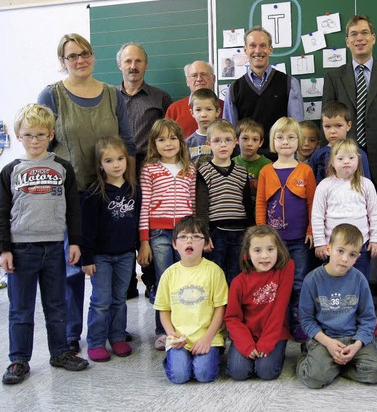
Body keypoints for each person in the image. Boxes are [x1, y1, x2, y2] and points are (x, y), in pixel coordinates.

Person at [37, 33, 136, 353]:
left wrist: (131, 187)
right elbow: (42, 144)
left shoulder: (111, 95)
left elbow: (127, 142)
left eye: (85, 53)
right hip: (70, 196)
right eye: (72, 56)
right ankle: (70, 334)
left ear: (94, 56)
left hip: (110, 194)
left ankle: (112, 330)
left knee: (111, 264)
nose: (80, 60)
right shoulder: (51, 96)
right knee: (74, 266)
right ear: (62, 62)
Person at [323, 14, 377, 315]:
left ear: (373, 38)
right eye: (353, 34)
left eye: (364, 33)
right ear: (346, 41)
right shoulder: (334, 76)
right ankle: (341, 294)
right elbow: (329, 123)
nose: (359, 38)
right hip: (342, 165)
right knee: (342, 230)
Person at [1, 104, 88, 385]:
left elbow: (73, 209)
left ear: (51, 134)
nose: (35, 141)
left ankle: (60, 352)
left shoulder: (62, 167)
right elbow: (2, 213)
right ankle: (18, 359)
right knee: (21, 309)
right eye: (28, 135)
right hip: (21, 250)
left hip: (54, 248)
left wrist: (74, 242)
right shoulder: (10, 170)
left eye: (40, 135)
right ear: (18, 136)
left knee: (56, 305)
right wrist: (4, 249)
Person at [296, 224, 377, 389]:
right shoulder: (312, 280)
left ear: (358, 256)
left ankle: (337, 367)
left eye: (352, 254)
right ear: (329, 249)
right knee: (313, 379)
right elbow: (307, 320)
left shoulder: (359, 280)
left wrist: (357, 345)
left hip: (353, 338)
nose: (345, 259)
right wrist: (328, 343)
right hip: (324, 339)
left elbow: (368, 318)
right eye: (340, 251)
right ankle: (309, 355)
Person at [116, 42, 172, 300]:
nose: (133, 66)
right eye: (128, 61)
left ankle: (151, 283)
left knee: (148, 218)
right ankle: (126, 283)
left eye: (138, 61)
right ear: (120, 65)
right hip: (118, 167)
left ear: (146, 65)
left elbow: (169, 131)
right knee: (123, 220)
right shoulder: (108, 96)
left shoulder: (159, 97)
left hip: (151, 165)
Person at [137, 119, 196, 350]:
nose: (168, 143)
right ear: (154, 143)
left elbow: (192, 203)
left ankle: (185, 327)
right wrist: (144, 241)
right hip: (159, 233)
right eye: (161, 139)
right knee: (164, 282)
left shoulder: (189, 168)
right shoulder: (149, 169)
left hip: (184, 234)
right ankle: (162, 331)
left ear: (181, 142)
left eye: (173, 138)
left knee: (185, 281)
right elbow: (145, 206)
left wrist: (194, 234)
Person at [256, 117, 316, 341]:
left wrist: (311, 230)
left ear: (298, 141)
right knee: (274, 283)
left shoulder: (305, 171)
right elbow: (261, 202)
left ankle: (299, 322)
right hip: (274, 243)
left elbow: (312, 203)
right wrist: (261, 233)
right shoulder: (266, 171)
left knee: (299, 282)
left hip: (300, 239)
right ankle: (277, 323)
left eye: (291, 138)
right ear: (273, 141)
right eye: (280, 138)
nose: (285, 142)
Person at [81, 136, 140, 362]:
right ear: (100, 165)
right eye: (109, 160)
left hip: (125, 254)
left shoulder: (134, 189)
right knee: (101, 300)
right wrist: (87, 258)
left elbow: (136, 223)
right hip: (101, 256)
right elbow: (87, 229)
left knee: (119, 299)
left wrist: (138, 248)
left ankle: (117, 337)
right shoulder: (95, 193)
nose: (116, 164)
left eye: (120, 159)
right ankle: (96, 341)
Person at [154, 216, 228, 384]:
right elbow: (164, 309)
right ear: (174, 244)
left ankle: (213, 355)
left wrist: (207, 339)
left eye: (196, 237)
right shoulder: (169, 274)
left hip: (208, 336)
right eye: (183, 237)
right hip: (179, 338)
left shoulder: (214, 272)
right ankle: (177, 360)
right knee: (179, 377)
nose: (190, 241)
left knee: (204, 375)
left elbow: (220, 309)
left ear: (206, 243)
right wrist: (170, 333)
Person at [224, 225, 294, 380]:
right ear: (247, 254)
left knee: (266, 372)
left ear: (278, 250)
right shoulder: (238, 282)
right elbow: (232, 318)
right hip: (247, 334)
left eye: (270, 249)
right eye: (257, 250)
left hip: (274, 333)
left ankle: (274, 354)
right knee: (238, 372)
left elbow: (279, 311)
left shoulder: (285, 269)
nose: (265, 256)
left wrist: (266, 344)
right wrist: (247, 345)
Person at [223, 26, 304, 151]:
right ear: (245, 49)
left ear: (270, 49)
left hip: (280, 159)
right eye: (252, 46)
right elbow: (229, 134)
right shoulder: (234, 89)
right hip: (247, 162)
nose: (258, 51)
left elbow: (296, 130)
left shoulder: (290, 84)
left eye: (262, 45)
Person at [312, 138, 377, 280]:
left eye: (351, 157)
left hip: (361, 245)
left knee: (359, 280)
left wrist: (375, 239)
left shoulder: (366, 184)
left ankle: (359, 303)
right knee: (334, 281)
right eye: (341, 158)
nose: (346, 161)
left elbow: (375, 214)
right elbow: (317, 216)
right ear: (332, 162)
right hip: (333, 245)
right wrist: (319, 242)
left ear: (358, 160)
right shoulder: (324, 186)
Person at [196, 119, 254, 285]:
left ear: (235, 142)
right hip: (216, 232)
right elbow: (201, 206)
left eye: (228, 140)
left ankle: (233, 309)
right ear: (209, 144)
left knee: (236, 273)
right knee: (216, 273)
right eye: (217, 141)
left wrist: (250, 232)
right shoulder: (204, 171)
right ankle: (218, 310)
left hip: (240, 232)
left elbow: (247, 204)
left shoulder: (242, 172)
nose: (223, 145)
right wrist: (204, 234)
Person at [308, 101, 372, 184]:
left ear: (348, 125)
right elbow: (310, 184)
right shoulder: (318, 155)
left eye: (338, 126)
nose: (332, 131)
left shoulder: (358, 154)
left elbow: (367, 184)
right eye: (327, 126)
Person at [166, 61, 224, 138]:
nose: (199, 79)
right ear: (187, 81)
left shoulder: (225, 107)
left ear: (213, 79)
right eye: (194, 75)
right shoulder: (174, 109)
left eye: (204, 74)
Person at [232, 118, 272, 201]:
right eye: (245, 138)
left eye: (255, 139)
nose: (250, 144)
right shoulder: (230, 163)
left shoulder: (268, 165)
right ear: (236, 140)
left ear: (260, 143)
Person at [185, 89, 221, 165]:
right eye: (198, 110)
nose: (203, 114)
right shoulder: (188, 143)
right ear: (192, 113)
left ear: (217, 112)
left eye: (209, 109)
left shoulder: (224, 140)